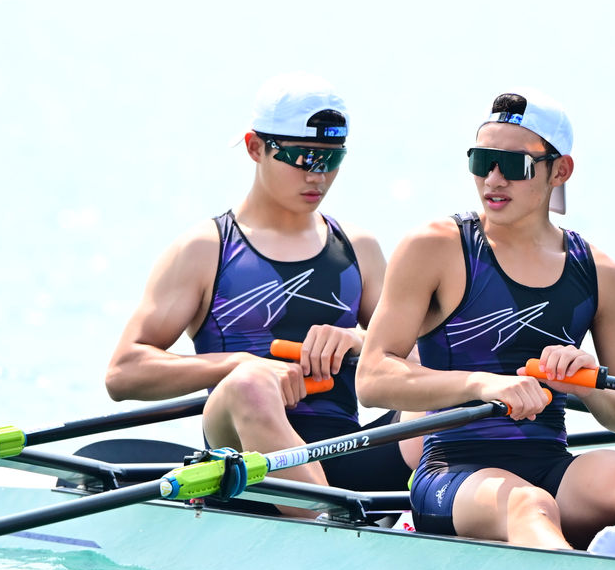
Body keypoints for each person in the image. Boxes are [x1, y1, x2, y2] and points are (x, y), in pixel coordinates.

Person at [354, 87, 615, 566]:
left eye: (513, 165)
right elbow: (373, 378)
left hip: (551, 466)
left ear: (560, 170)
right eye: (482, 161)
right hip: (453, 474)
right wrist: (481, 384)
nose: (493, 179)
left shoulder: (601, 274)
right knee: (528, 503)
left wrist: (588, 384)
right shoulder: (436, 247)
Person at [104, 73, 414, 506]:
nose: (319, 175)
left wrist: (359, 340)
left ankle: (474, 510)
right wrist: (238, 364)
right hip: (243, 458)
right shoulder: (206, 248)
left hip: (342, 453)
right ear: (255, 148)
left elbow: (421, 361)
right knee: (250, 382)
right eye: (304, 157)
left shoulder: (359, 248)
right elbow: (123, 372)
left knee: (453, 390)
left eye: (332, 158)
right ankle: (326, 519)